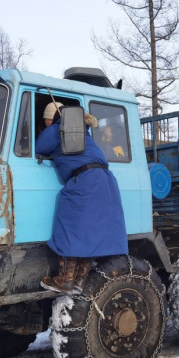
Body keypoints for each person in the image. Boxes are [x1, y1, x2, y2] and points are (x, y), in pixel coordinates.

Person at [35, 101, 128, 294]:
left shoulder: (56, 130)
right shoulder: (82, 133)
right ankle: (78, 281)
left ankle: (65, 280)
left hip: (86, 180)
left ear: (50, 119)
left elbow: (36, 147)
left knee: (71, 226)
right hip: (106, 181)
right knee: (90, 233)